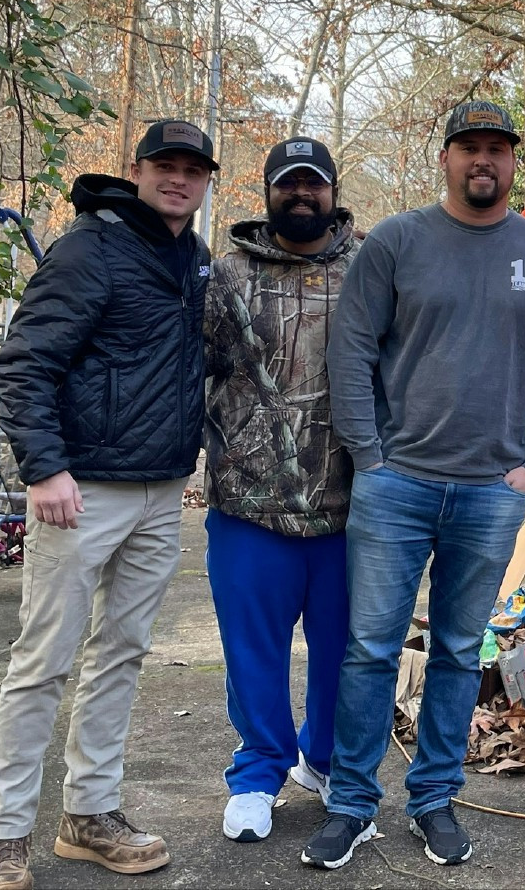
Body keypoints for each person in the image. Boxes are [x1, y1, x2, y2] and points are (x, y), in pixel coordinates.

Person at [302, 100, 525, 871]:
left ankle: (433, 799)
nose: (482, 161)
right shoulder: (397, 241)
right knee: (370, 648)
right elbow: (351, 352)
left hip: (494, 491)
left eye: (497, 148)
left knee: (460, 650)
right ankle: (352, 804)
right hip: (397, 485)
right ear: (447, 158)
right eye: (469, 148)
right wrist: (370, 452)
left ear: (511, 161)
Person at [0, 121, 216, 890]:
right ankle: (6, 833)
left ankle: (89, 814)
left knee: (121, 654)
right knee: (43, 660)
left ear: (206, 180)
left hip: (159, 492)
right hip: (80, 492)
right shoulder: (91, 247)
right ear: (138, 171)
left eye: (192, 170)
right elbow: (23, 364)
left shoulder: (194, 259)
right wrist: (44, 470)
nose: (179, 180)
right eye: (165, 167)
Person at [203, 137, 359, 842]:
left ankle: (322, 761)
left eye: (314, 185)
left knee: (344, 651)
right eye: (288, 185)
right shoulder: (226, 274)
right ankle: (259, 771)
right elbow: (191, 370)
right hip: (249, 504)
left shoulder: (371, 269)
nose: (302, 196)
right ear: (268, 193)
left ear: (332, 192)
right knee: (253, 651)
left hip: (351, 506)